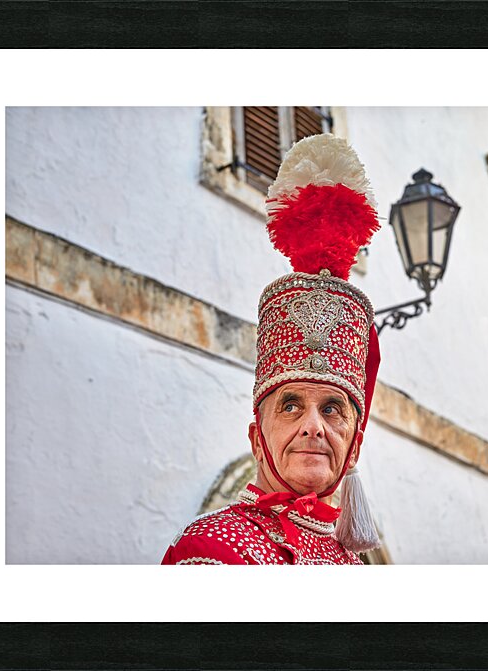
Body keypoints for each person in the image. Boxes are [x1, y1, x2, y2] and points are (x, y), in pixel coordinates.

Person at [161, 133, 382, 565]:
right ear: (256, 438)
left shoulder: (354, 565)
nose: (314, 427)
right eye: (290, 405)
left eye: (333, 408)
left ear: (354, 446)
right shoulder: (209, 548)